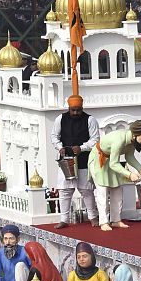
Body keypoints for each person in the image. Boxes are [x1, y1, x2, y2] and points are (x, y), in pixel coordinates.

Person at [88, 120, 141, 231]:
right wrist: (129, 175)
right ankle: (103, 222)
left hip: (112, 162)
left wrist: (140, 169)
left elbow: (129, 157)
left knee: (117, 190)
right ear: (135, 135)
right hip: (99, 160)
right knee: (102, 191)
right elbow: (114, 164)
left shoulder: (131, 140)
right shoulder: (119, 140)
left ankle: (116, 220)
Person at [49, 95, 99, 229]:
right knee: (65, 190)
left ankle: (93, 217)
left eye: (78, 110)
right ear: (69, 108)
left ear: (82, 108)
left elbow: (95, 139)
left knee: (86, 190)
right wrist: (60, 147)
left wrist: (82, 148)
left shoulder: (90, 120)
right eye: (73, 110)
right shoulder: (60, 119)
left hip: (84, 160)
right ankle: (64, 219)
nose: (76, 113)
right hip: (66, 160)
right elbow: (54, 136)